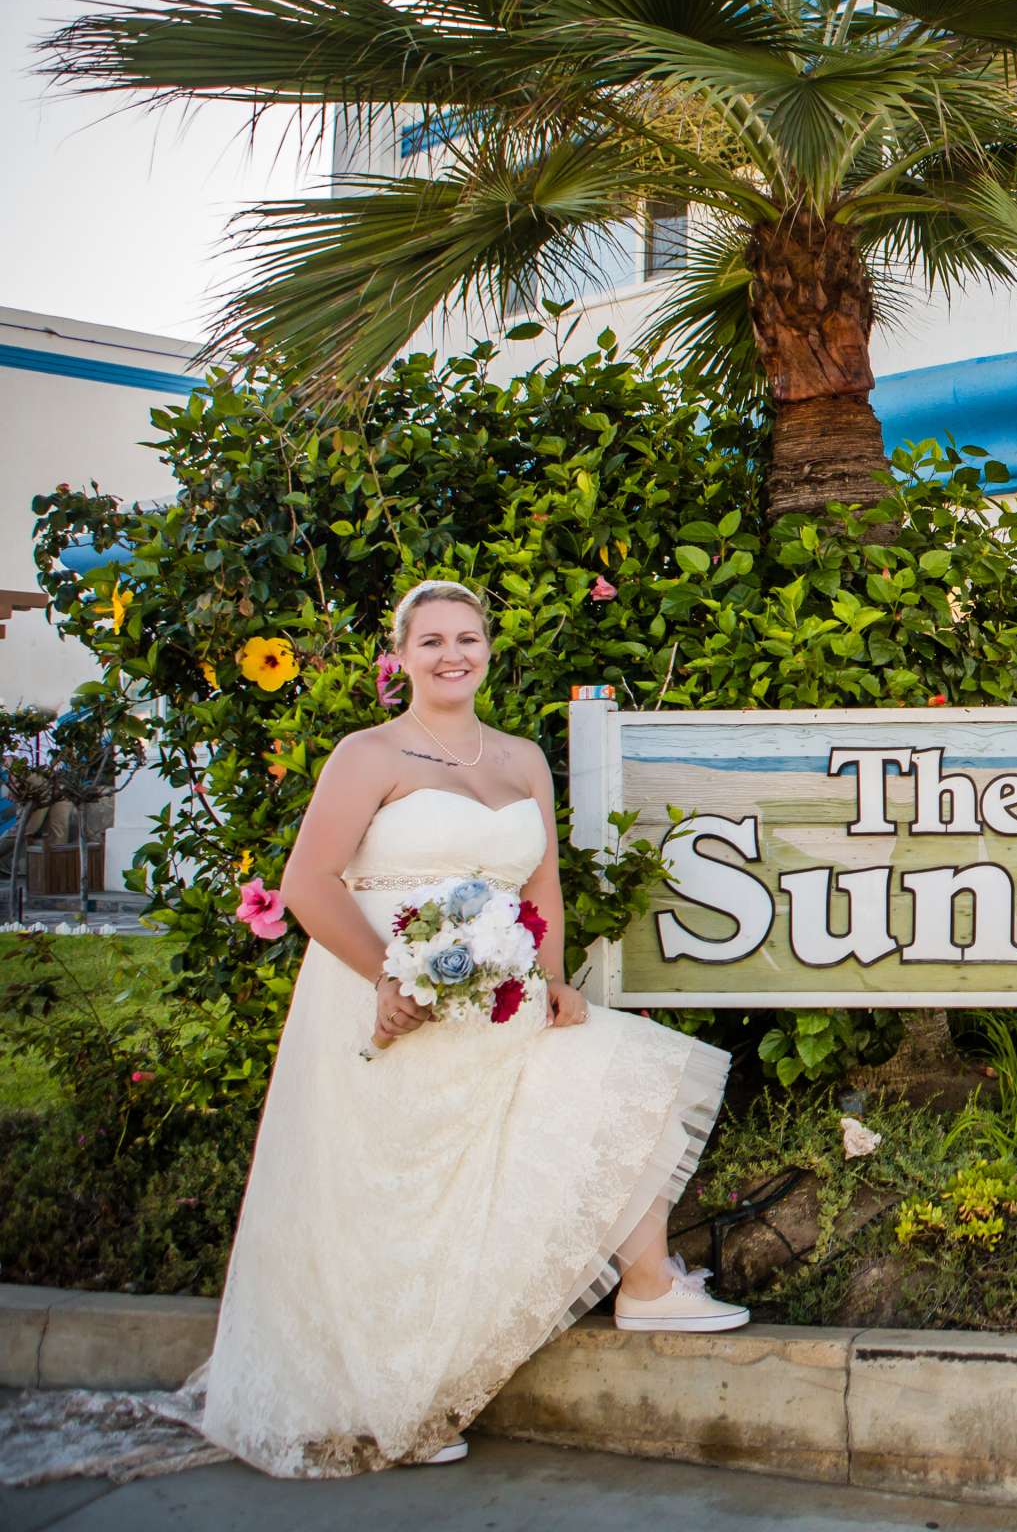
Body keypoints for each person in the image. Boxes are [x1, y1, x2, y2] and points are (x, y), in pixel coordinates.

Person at [198, 579, 748, 1478]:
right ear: (401, 656)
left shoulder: (523, 758)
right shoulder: (367, 755)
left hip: (503, 999)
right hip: (388, 1004)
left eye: (468, 638)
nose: (453, 654)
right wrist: (389, 977)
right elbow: (307, 886)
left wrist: (558, 981)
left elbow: (541, 891)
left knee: (633, 1070)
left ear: (488, 648)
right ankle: (390, 1401)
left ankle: (646, 1284)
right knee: (401, 1201)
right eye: (432, 641)